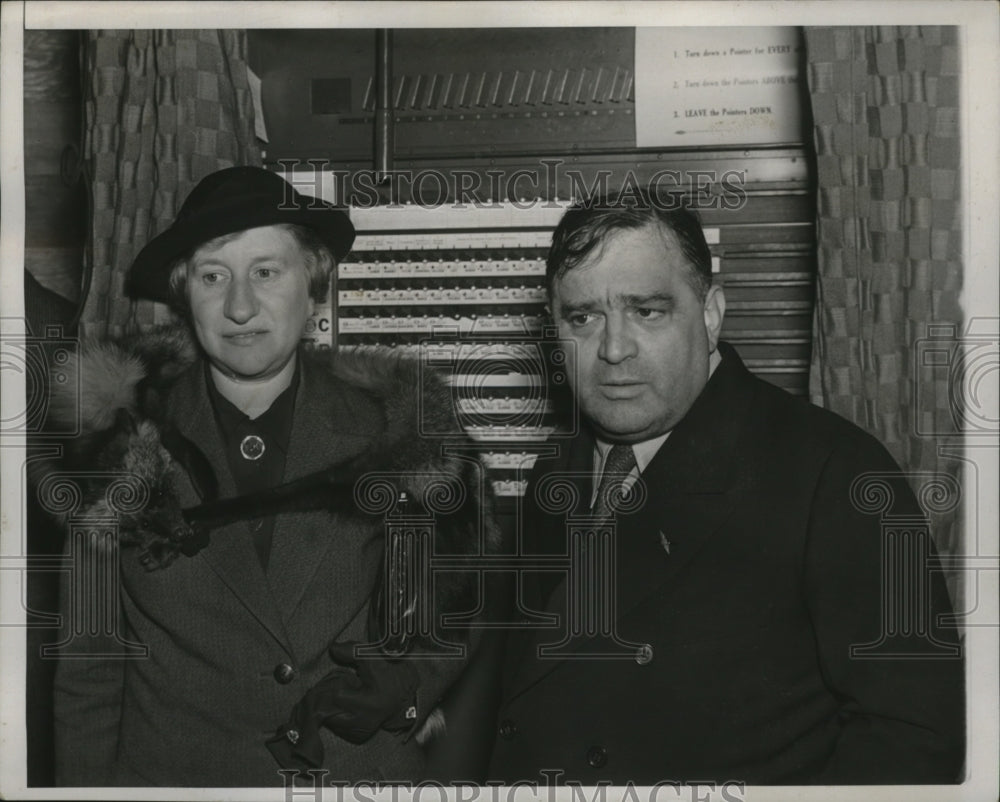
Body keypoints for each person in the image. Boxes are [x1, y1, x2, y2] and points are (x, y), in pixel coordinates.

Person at [485, 192, 965, 785]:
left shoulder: (836, 473)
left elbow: (913, 735)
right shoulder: (555, 474)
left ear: (711, 315)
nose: (613, 349)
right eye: (582, 317)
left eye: (648, 311)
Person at [47, 166, 495, 786]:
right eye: (213, 276)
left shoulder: (395, 435)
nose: (239, 306)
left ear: (312, 287)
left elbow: (459, 602)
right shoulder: (120, 446)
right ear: (185, 293)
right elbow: (89, 672)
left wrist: (409, 687)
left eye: (266, 271)